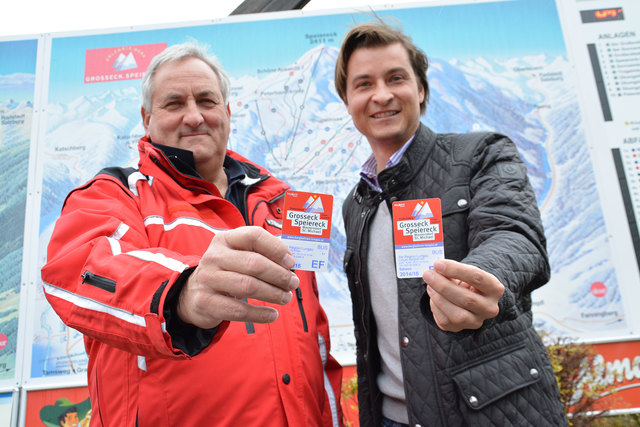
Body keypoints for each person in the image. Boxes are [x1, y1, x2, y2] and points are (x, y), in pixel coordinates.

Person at [41, 42, 342, 426]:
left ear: (227, 112)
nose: (195, 116)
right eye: (174, 104)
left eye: (206, 101)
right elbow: (76, 271)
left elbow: (315, 342)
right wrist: (180, 293)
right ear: (146, 118)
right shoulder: (116, 195)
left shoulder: (285, 202)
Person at [334, 22, 567, 426]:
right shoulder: (355, 205)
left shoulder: (481, 153)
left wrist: (477, 280)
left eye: (396, 78)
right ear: (348, 101)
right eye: (364, 84)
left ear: (421, 89)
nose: (382, 95)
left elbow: (514, 234)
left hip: (490, 413)